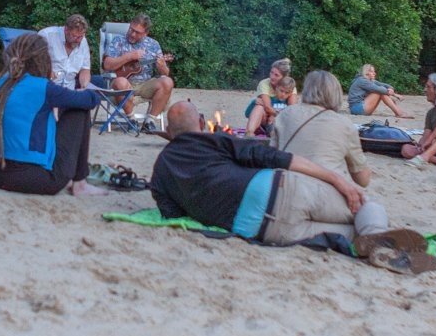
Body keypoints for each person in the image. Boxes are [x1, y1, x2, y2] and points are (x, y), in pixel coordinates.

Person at [152, 101, 389, 247]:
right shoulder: (216, 141)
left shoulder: (160, 170)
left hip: (263, 230)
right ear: (202, 122)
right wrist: (337, 179)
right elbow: (275, 158)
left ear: (169, 132)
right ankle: (381, 240)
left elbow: (173, 216)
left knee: (352, 236)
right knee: (366, 206)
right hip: (281, 190)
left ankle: (375, 243)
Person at [0, 32, 101, 196]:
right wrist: (86, 92)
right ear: (43, 58)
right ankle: (80, 183)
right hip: (34, 179)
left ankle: (76, 180)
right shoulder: (43, 87)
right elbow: (90, 100)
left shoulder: (3, 82)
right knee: (78, 109)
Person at [271, 70, 372, 188]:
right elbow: (363, 180)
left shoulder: (284, 114)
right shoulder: (345, 125)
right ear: (335, 93)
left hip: (281, 189)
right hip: (323, 193)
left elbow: (273, 155)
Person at [101, 13, 174, 126]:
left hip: (145, 85)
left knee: (167, 82)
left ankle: (150, 121)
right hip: (122, 84)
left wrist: (162, 66)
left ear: (146, 33)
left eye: (137, 32)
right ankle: (132, 120)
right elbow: (107, 65)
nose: (132, 34)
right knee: (120, 82)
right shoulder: (118, 41)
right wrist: (129, 56)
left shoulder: (153, 44)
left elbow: (165, 73)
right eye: (131, 29)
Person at [245, 58, 298, 135]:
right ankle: (249, 132)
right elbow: (267, 107)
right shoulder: (264, 83)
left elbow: (292, 110)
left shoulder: (289, 87)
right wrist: (276, 115)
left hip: (281, 122)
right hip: (265, 118)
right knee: (259, 105)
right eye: (271, 72)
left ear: (284, 78)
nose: (272, 77)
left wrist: (277, 117)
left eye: (276, 75)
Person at [38, 15, 92, 88]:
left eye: (81, 37)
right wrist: (48, 72)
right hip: (47, 87)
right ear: (66, 30)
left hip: (69, 91)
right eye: (74, 36)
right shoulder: (47, 35)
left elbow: (85, 69)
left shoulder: (83, 41)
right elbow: (35, 63)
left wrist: (83, 87)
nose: (78, 40)